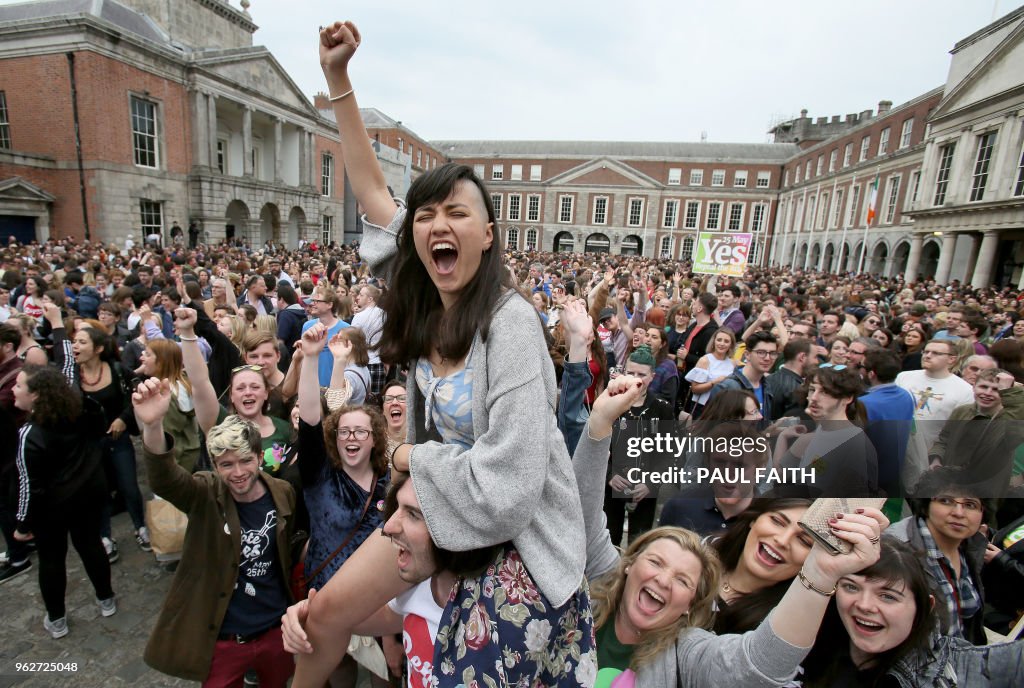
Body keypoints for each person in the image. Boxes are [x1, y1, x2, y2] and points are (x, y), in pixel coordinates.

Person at [295, 22, 590, 687]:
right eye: (425, 215)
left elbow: (509, 491)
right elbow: (373, 192)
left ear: (487, 235)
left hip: (512, 538)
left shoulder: (509, 324)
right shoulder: (425, 292)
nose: (435, 225)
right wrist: (340, 80)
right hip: (436, 508)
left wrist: (402, 456)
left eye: (456, 213)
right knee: (322, 616)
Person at [133, 378, 296, 686]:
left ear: (260, 458)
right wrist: (153, 425)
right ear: (215, 466)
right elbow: (166, 480)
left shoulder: (283, 492)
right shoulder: (205, 493)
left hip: (274, 630)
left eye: (246, 461)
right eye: (226, 464)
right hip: (223, 639)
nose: (238, 473)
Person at [295, 323, 390, 685]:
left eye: (361, 432)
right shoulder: (321, 476)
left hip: (378, 603)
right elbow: (309, 420)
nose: (352, 437)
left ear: (373, 440)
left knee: (385, 677)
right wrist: (311, 357)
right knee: (340, 677)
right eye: (344, 432)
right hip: (327, 599)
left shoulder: (388, 485)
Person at [797, 537, 1024, 687]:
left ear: (925, 607)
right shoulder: (805, 644)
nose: (864, 605)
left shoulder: (962, 669)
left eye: (888, 596)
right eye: (851, 587)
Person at [13, 306, 115, 639]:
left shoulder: (30, 433)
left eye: (19, 386)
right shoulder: (73, 402)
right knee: (91, 547)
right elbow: (68, 364)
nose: (14, 389)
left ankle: (56, 618)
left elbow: (29, 485)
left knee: (53, 560)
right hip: (87, 494)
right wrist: (57, 326)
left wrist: (23, 525)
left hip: (53, 509)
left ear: (37, 395)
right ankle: (106, 599)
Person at [887, 468, 992, 644]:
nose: (959, 513)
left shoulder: (969, 545)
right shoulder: (896, 548)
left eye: (970, 505)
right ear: (926, 504)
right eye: (946, 501)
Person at [859, 349, 916, 499]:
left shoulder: (864, 404)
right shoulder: (906, 396)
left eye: (862, 367)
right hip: (894, 476)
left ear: (871, 374)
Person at [708, 330, 778, 423]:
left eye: (772, 353)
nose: (767, 358)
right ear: (747, 355)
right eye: (761, 352)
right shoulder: (727, 387)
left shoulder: (768, 385)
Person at [683, 327, 736, 418]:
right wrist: (714, 382)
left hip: (723, 408)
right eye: (719, 340)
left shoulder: (732, 363)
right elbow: (695, 388)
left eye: (726, 341)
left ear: (731, 345)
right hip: (702, 408)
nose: (722, 344)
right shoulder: (705, 360)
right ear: (714, 342)